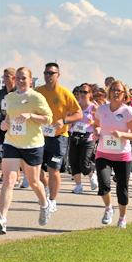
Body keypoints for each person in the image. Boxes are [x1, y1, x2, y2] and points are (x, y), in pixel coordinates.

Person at [0, 67, 53, 234]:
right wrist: (4, 125)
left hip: (32, 144)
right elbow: (8, 117)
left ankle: (44, 205)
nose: (20, 81)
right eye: (18, 78)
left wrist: (31, 116)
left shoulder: (36, 97)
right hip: (12, 142)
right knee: (8, 179)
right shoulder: (9, 97)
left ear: (30, 80)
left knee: (34, 181)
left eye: (24, 78)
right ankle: (2, 218)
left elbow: (48, 118)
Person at [92, 80, 132, 228]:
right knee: (103, 184)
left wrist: (122, 135)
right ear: (109, 92)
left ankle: (122, 218)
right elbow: (97, 125)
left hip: (122, 155)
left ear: (124, 94)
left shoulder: (128, 111)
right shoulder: (102, 109)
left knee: (122, 189)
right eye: (113, 90)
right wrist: (96, 131)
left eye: (119, 90)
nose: (116, 92)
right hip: (103, 153)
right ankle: (108, 208)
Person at [36, 63, 82, 212]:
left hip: (58, 137)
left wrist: (65, 120)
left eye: (51, 73)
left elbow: (79, 114)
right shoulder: (37, 92)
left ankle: (52, 200)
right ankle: (47, 187)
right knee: (36, 170)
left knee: (53, 170)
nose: (48, 75)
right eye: (46, 72)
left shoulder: (65, 93)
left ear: (58, 75)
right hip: (38, 136)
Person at [69, 84, 98, 194]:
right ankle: (78, 186)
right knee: (73, 162)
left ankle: (92, 176)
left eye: (85, 92)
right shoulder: (75, 106)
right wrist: (70, 123)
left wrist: (93, 122)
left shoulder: (93, 107)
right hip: (74, 135)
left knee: (84, 163)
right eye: (81, 92)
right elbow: (69, 117)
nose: (82, 94)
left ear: (90, 94)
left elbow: (101, 121)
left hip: (88, 137)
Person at [0, 68, 20, 187]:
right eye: (3, 76)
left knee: (15, 151)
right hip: (2, 125)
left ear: (13, 77)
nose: (4, 78)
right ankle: (5, 173)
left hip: (16, 126)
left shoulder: (19, 92)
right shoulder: (1, 93)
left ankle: (17, 176)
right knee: (3, 151)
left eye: (7, 76)